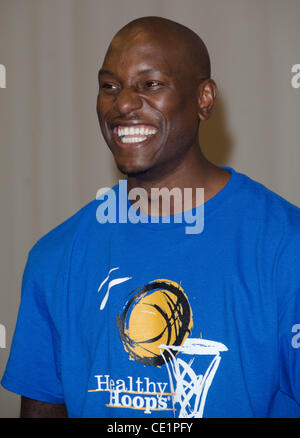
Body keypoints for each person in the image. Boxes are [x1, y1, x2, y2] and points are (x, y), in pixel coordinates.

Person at [1, 16, 300, 418]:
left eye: (151, 84)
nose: (122, 103)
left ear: (204, 99)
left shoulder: (285, 246)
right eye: (110, 86)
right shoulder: (55, 257)